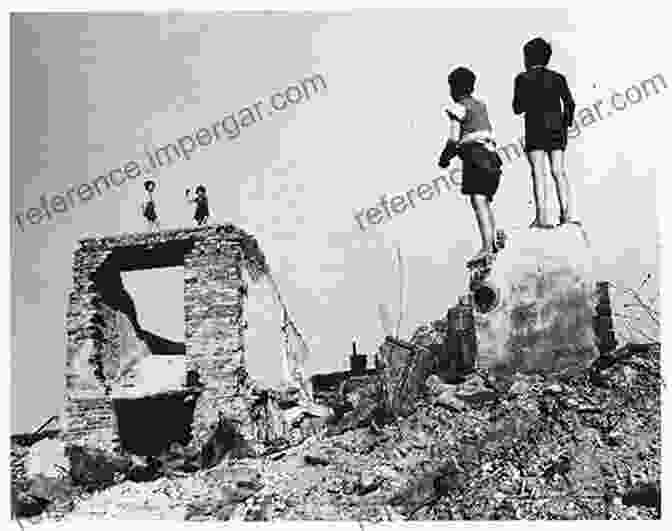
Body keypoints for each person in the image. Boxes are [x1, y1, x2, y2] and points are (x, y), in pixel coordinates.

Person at [513, 37, 579, 228]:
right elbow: (570, 103)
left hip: (534, 128)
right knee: (558, 171)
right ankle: (567, 215)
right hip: (556, 129)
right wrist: (566, 122)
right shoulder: (558, 77)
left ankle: (542, 218)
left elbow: (517, 108)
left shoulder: (521, 78)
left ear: (527, 58)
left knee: (538, 173)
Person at [440, 66, 503, 265]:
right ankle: (492, 240)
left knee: (478, 201)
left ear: (453, 89)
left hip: (476, 158)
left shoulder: (458, 108)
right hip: (493, 157)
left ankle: (486, 246)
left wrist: (445, 158)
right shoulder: (481, 106)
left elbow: (453, 139)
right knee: (484, 201)